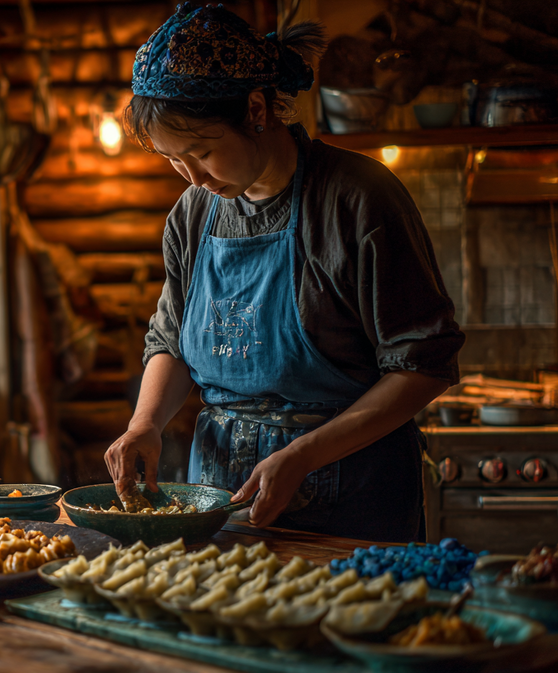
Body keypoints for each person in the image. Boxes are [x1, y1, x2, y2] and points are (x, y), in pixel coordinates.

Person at [103, 3, 464, 542]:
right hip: (219, 498)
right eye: (174, 160)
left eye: (202, 151)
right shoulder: (192, 216)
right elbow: (172, 339)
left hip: (351, 496)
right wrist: (145, 424)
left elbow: (423, 366)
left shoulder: (358, 199)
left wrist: (305, 454)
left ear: (255, 109)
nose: (193, 176)